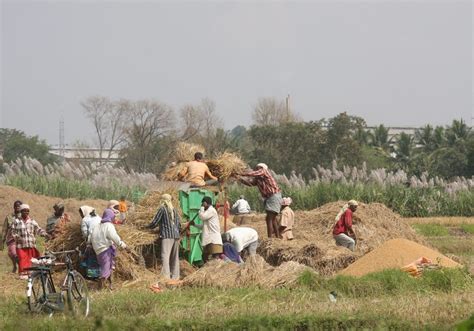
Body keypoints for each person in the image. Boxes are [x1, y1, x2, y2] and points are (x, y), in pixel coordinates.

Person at [239, 163, 282, 238]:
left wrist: (240, 173)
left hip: (273, 196)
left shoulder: (264, 171)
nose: (256, 169)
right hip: (270, 197)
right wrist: (238, 178)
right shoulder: (258, 179)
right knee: (272, 218)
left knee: (269, 218)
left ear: (262, 168)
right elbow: (250, 183)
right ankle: (277, 237)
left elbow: (254, 173)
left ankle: (270, 239)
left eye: (257, 167)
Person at [147, 194, 182, 285]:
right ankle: (175, 277)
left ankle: (166, 278)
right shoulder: (174, 210)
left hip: (167, 236)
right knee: (175, 258)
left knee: (165, 257)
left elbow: (155, 221)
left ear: (163, 200)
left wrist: (147, 227)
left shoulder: (163, 209)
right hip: (176, 236)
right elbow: (179, 225)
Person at [90, 208, 127, 290]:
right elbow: (115, 237)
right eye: (113, 217)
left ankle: (111, 285)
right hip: (105, 250)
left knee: (109, 267)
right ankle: (100, 287)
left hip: (98, 251)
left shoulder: (97, 226)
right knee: (106, 270)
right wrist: (123, 245)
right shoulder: (108, 226)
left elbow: (90, 238)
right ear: (110, 216)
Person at [11, 204, 49, 279]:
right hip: (20, 245)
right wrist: (18, 238)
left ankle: (32, 274)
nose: (26, 212)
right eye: (24, 211)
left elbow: (38, 229)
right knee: (22, 259)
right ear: (21, 211)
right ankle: (23, 275)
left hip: (31, 244)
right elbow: (13, 232)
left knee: (31, 260)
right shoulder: (16, 221)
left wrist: (44, 234)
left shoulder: (32, 221)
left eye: (27, 211)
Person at [189, 196, 223, 261]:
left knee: (215, 258)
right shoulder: (208, 212)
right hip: (209, 239)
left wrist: (201, 208)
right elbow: (203, 227)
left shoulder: (211, 210)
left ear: (205, 203)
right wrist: (194, 225)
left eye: (202, 203)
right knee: (205, 257)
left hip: (214, 239)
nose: (202, 205)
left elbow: (202, 217)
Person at [1, 200, 22, 273]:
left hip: (21, 239)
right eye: (16, 206)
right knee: (11, 253)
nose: (17, 207)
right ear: (13, 207)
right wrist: (2, 241)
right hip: (11, 239)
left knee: (17, 254)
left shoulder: (24, 216)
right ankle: (15, 266)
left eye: (19, 206)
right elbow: (4, 230)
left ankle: (20, 267)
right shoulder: (9, 217)